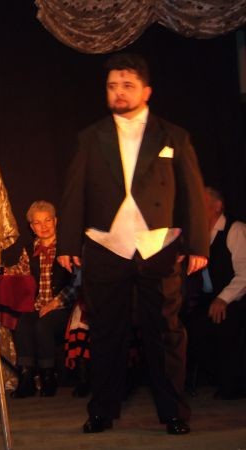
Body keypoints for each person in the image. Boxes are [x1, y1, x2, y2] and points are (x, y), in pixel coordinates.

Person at [57, 53, 209, 435]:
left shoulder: (174, 136)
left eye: (127, 85)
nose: (119, 92)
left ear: (146, 91)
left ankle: (174, 412)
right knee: (106, 332)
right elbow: (73, 193)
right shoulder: (90, 137)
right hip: (106, 245)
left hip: (158, 245)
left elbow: (193, 194)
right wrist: (67, 242)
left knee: (166, 331)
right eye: (112, 86)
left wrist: (198, 245)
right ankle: (102, 411)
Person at [6, 201, 79, 398]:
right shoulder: (30, 250)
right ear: (31, 227)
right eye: (37, 223)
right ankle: (26, 378)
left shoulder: (67, 248)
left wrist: (55, 303)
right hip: (38, 307)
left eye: (47, 221)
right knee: (23, 323)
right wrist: (3, 271)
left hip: (64, 307)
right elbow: (21, 273)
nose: (43, 226)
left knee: (43, 325)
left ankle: (48, 376)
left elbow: (78, 283)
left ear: (55, 221)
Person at [185, 187, 246, 399]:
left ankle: (232, 383)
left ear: (217, 206)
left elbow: (244, 274)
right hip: (207, 297)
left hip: (235, 296)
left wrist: (223, 299)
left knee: (226, 323)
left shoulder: (235, 230)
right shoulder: (197, 234)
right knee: (187, 329)